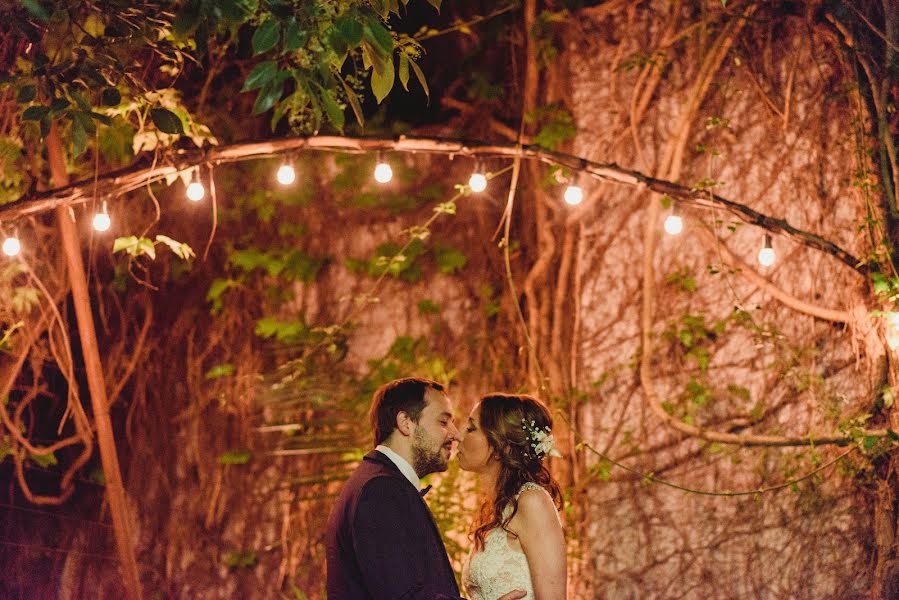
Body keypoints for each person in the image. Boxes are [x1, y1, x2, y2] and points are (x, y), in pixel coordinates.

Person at [325, 377, 527, 600]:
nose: (455, 434)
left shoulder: (379, 482)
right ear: (406, 423)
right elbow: (404, 595)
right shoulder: (380, 491)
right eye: (443, 422)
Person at [457, 393, 567, 600]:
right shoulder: (497, 507)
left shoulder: (532, 501)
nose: (459, 436)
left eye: (471, 428)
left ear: (502, 446)